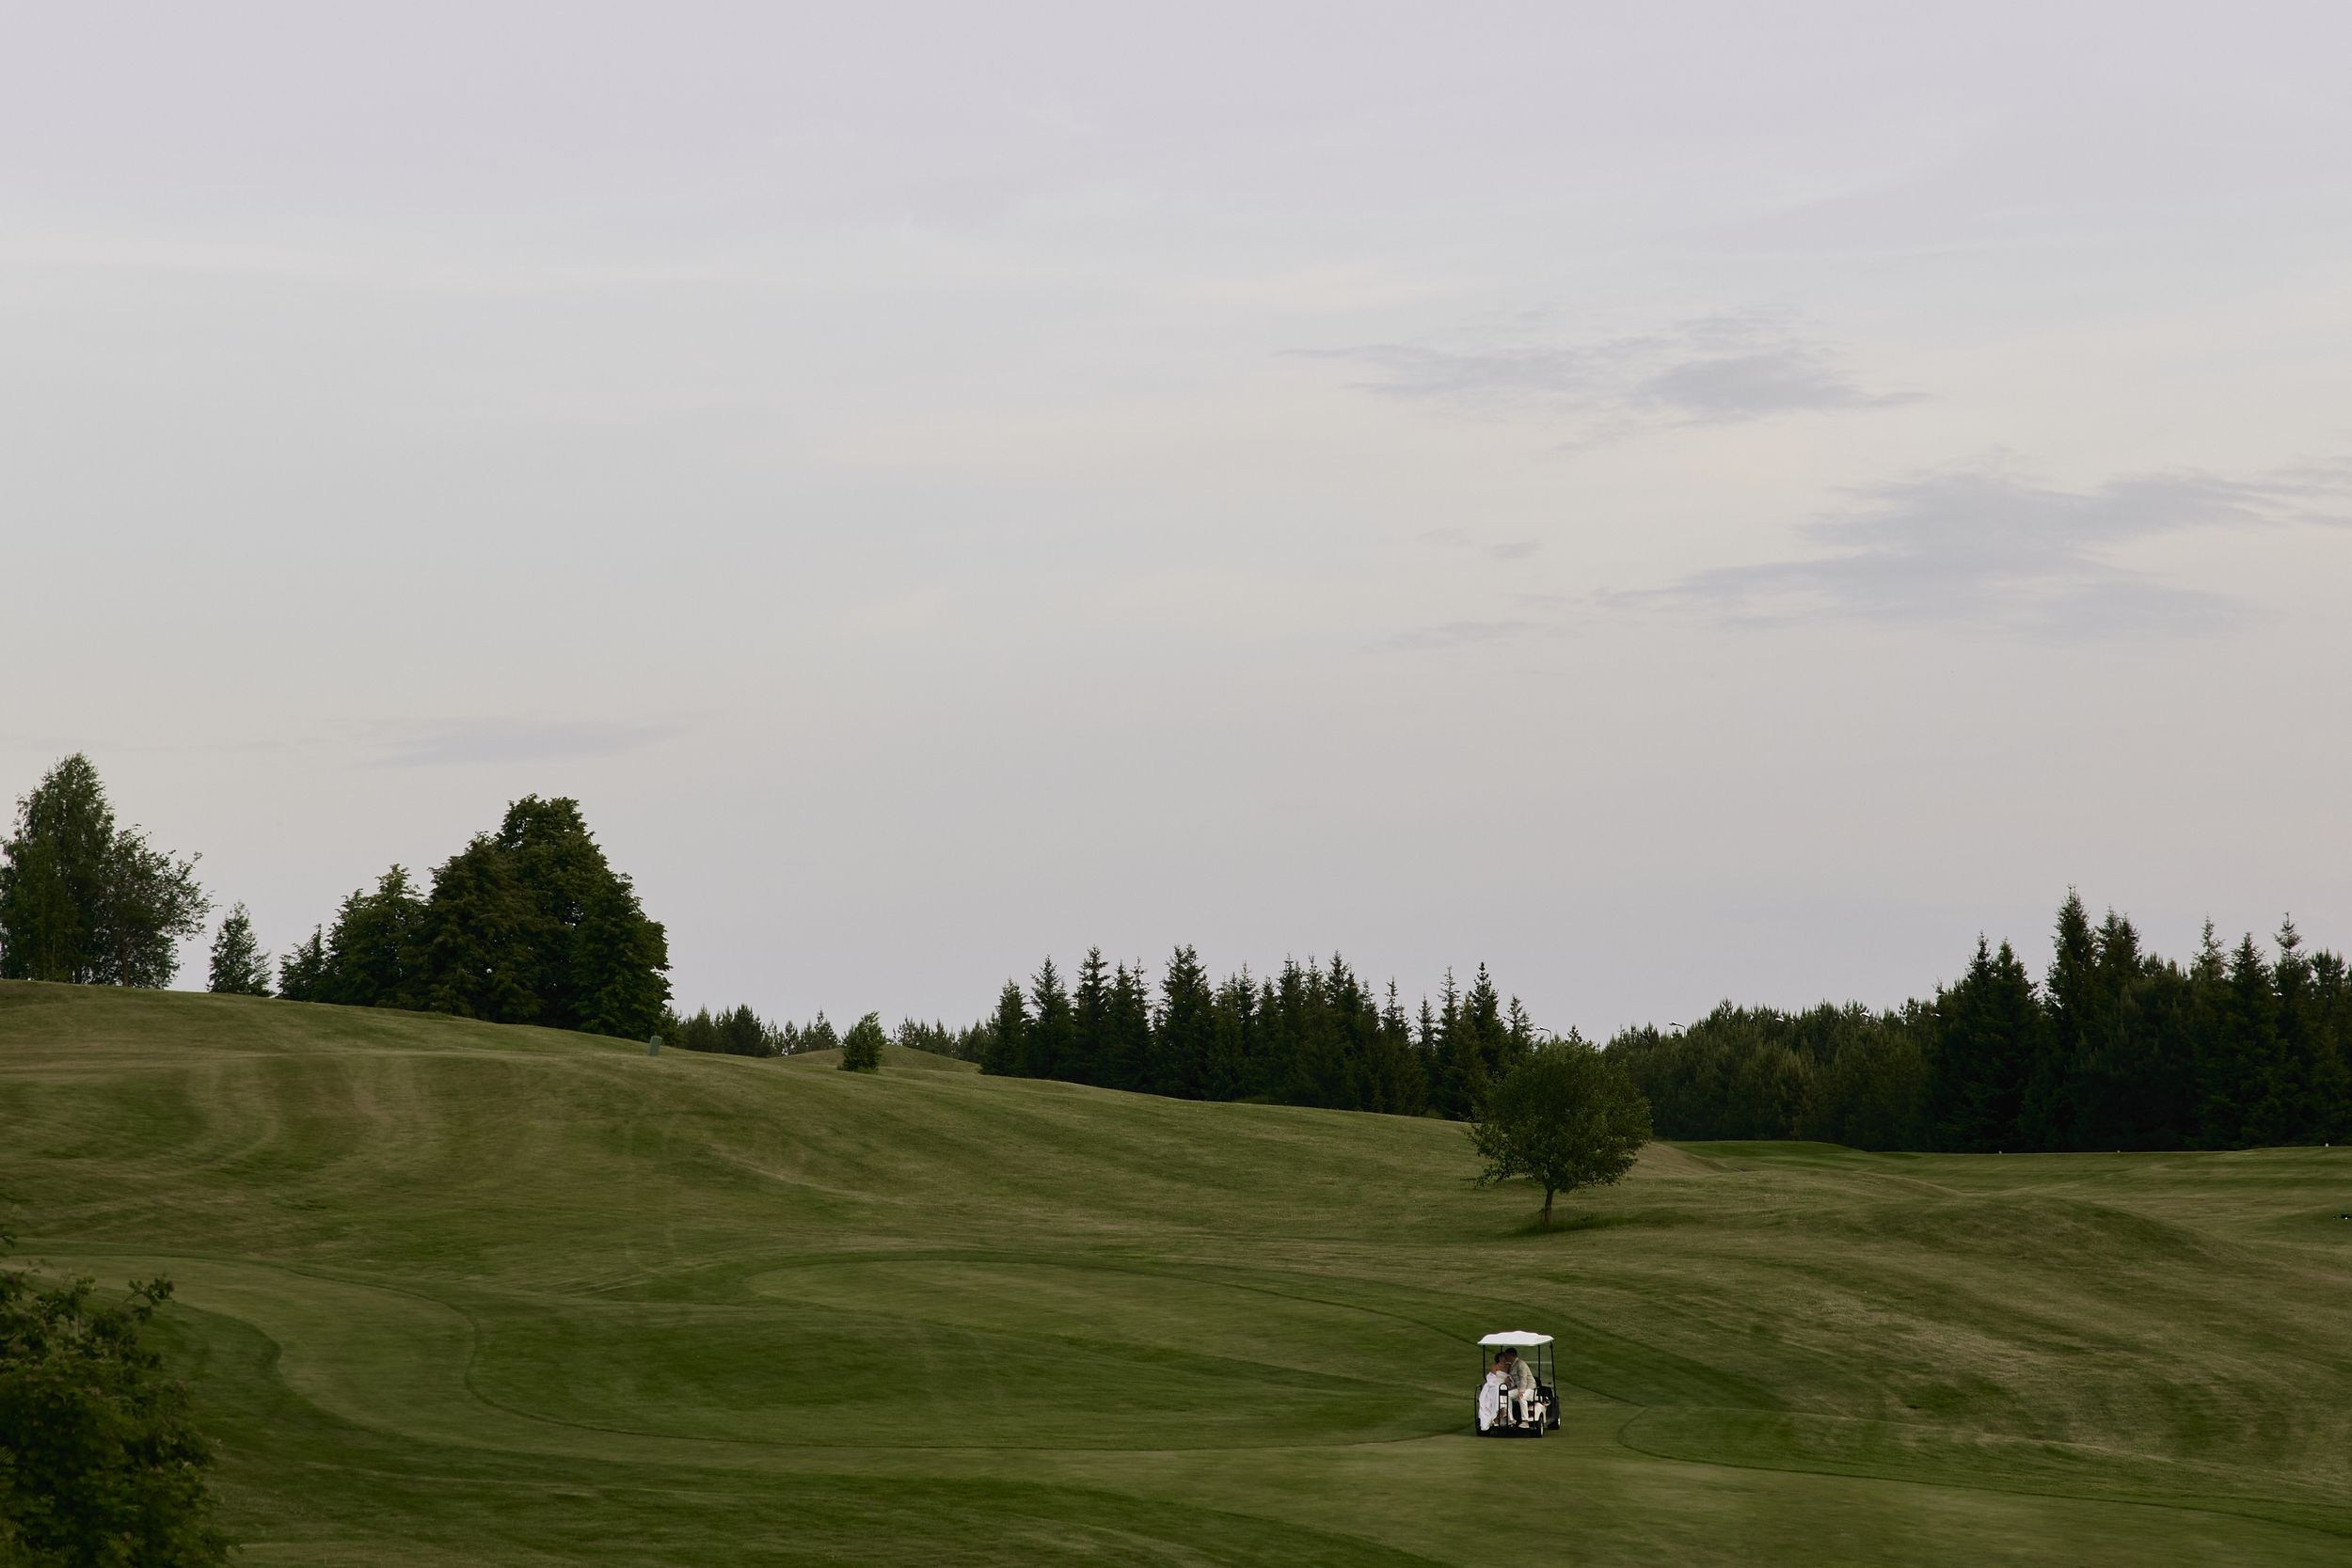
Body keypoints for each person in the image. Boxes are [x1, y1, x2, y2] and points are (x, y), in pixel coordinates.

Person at [1498, 1347, 1537, 1425]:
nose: (1506, 1358)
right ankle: (1510, 1419)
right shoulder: (1512, 1365)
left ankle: (1525, 1421)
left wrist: (1521, 1391)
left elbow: (1523, 1379)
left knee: (1521, 1397)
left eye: (1507, 1356)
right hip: (1519, 1388)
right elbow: (1516, 1380)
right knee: (1507, 1395)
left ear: (1511, 1355)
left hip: (1529, 1388)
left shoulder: (1521, 1364)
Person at [1477, 1356, 1505, 1432]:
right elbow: (1494, 1376)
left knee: (1501, 1388)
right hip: (1495, 1382)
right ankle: (1498, 1413)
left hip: (1504, 1383)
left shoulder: (1508, 1366)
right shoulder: (1494, 1366)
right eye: (1503, 1357)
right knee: (1495, 1389)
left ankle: (1500, 1412)